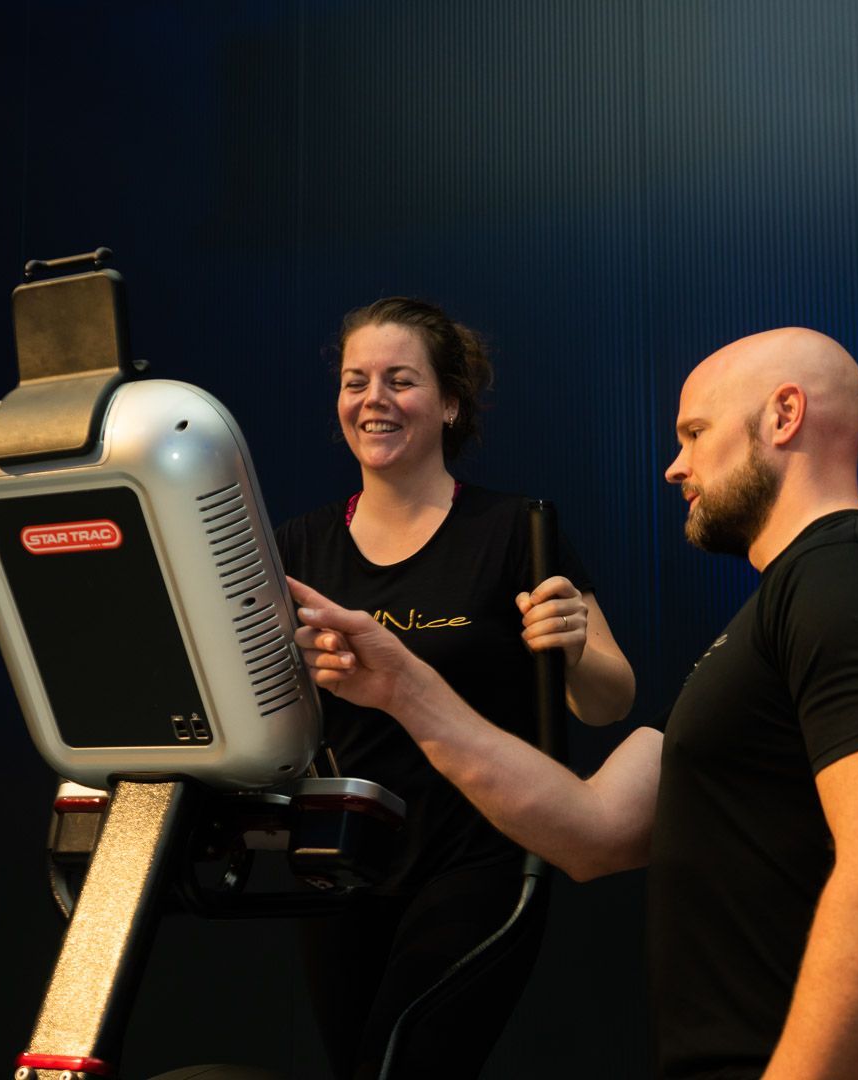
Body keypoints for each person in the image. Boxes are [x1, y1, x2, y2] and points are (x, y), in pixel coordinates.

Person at [290, 327, 858, 1079]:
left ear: (784, 417)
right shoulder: (768, 620)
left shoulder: (854, 578)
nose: (674, 465)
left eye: (694, 432)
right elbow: (593, 833)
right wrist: (402, 688)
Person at [274, 297, 636, 1079]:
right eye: (354, 381)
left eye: (399, 380)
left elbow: (611, 702)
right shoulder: (298, 545)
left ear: (449, 402)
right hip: (343, 862)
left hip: (480, 859)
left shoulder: (517, 530)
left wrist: (573, 647)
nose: (372, 399)